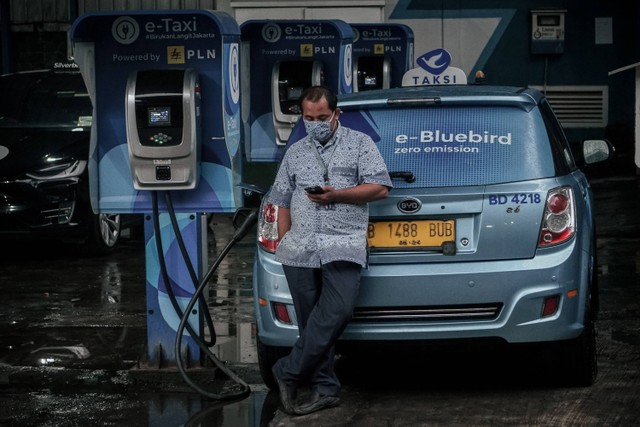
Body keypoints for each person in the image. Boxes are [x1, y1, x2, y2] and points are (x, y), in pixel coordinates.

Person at [268, 85, 392, 415]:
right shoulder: (295, 152)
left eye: (322, 117)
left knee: (339, 310)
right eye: (309, 118)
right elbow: (280, 200)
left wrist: (336, 195)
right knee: (311, 322)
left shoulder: (359, 144)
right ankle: (324, 387)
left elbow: (380, 188)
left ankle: (287, 371)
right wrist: (285, 241)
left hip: (343, 243)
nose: (316, 123)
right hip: (300, 248)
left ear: (336, 113)